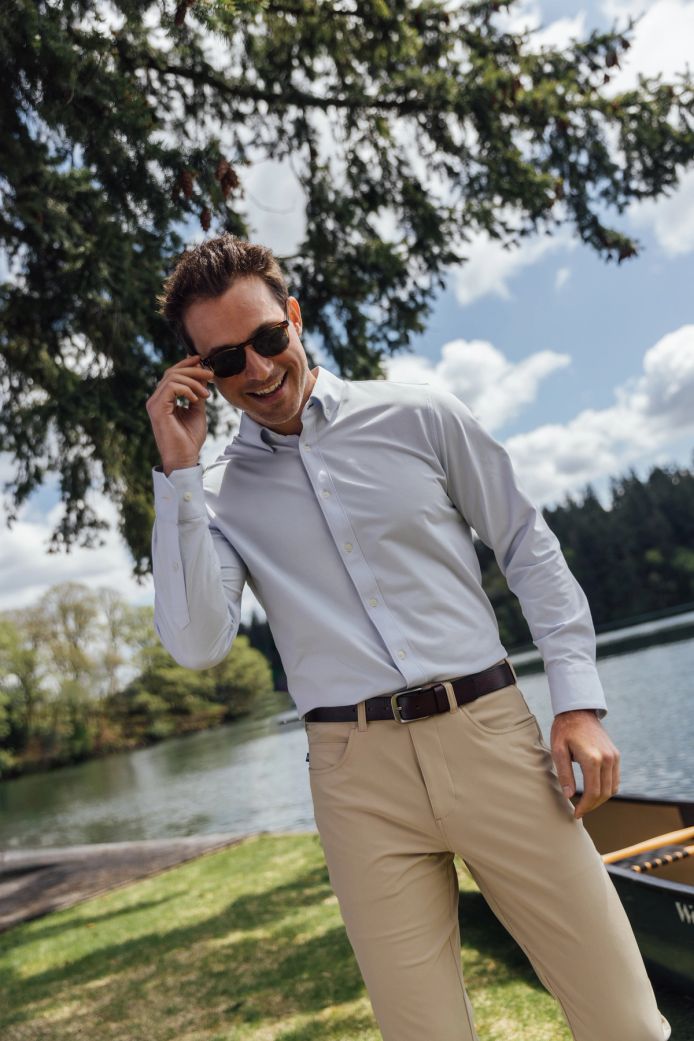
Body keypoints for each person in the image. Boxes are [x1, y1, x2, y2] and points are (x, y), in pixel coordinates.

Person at [146, 233, 671, 1041]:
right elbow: (195, 643)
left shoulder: (420, 413)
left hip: (490, 738)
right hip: (357, 783)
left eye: (267, 338)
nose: (255, 369)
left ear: (292, 316)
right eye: (224, 360)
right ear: (199, 373)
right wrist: (179, 473)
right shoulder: (215, 494)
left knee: (625, 1020)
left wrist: (578, 703)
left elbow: (528, 544)